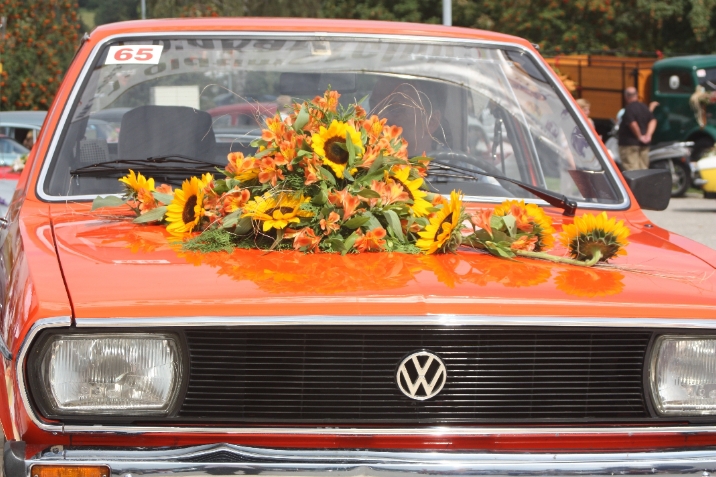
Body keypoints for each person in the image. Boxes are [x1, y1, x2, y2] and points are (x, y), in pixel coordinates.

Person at [370, 76, 450, 157]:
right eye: (373, 107)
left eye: (396, 110)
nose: (377, 118)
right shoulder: (361, 163)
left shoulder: (453, 168)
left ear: (431, 122)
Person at [617, 87, 656, 171]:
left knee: (632, 170)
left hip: (629, 145)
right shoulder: (644, 107)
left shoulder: (629, 109)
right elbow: (653, 120)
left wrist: (639, 136)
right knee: (643, 170)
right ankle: (643, 184)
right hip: (644, 145)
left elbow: (632, 123)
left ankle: (634, 185)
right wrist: (648, 135)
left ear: (626, 97)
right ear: (637, 95)